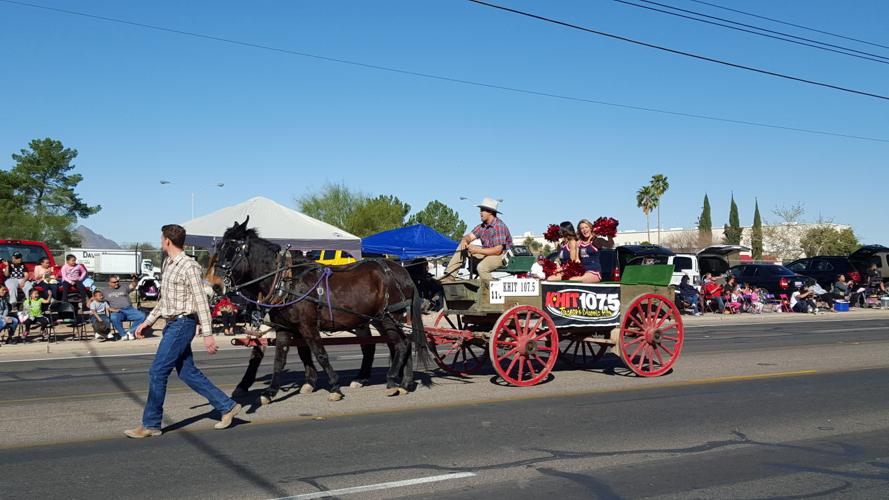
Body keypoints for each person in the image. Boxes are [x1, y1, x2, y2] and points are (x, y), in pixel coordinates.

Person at [125, 224, 241, 438]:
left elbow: (200, 301)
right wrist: (147, 322)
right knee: (187, 372)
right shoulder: (169, 263)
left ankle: (150, 424)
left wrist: (208, 334)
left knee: (157, 371)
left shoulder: (189, 266)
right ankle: (227, 406)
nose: (161, 242)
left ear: (167, 240)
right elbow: (164, 301)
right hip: (172, 323)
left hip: (182, 324)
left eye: (161, 239)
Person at [441, 198, 512, 282]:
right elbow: (469, 237)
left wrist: (477, 250)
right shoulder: (482, 227)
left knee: (482, 267)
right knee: (462, 246)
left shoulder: (499, 226)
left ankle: (491, 288)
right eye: (480, 210)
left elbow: (497, 250)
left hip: (501, 256)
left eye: (483, 210)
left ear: (490, 212)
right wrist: (464, 240)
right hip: (487, 253)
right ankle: (450, 276)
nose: (480, 212)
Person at [101, 275, 147, 341]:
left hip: (129, 309)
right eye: (114, 282)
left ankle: (130, 332)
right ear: (109, 283)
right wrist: (109, 308)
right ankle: (123, 335)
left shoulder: (124, 287)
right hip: (117, 311)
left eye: (117, 281)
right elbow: (98, 299)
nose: (116, 283)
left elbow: (133, 285)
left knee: (142, 316)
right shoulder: (105, 291)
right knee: (113, 317)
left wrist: (135, 279)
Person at [575, 219, 605, 283]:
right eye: (582, 228)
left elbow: (610, 245)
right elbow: (577, 260)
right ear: (580, 231)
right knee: (570, 279)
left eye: (586, 227)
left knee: (575, 280)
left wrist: (609, 235)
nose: (584, 230)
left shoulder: (596, 240)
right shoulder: (579, 243)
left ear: (591, 228)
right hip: (583, 272)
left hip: (594, 272)